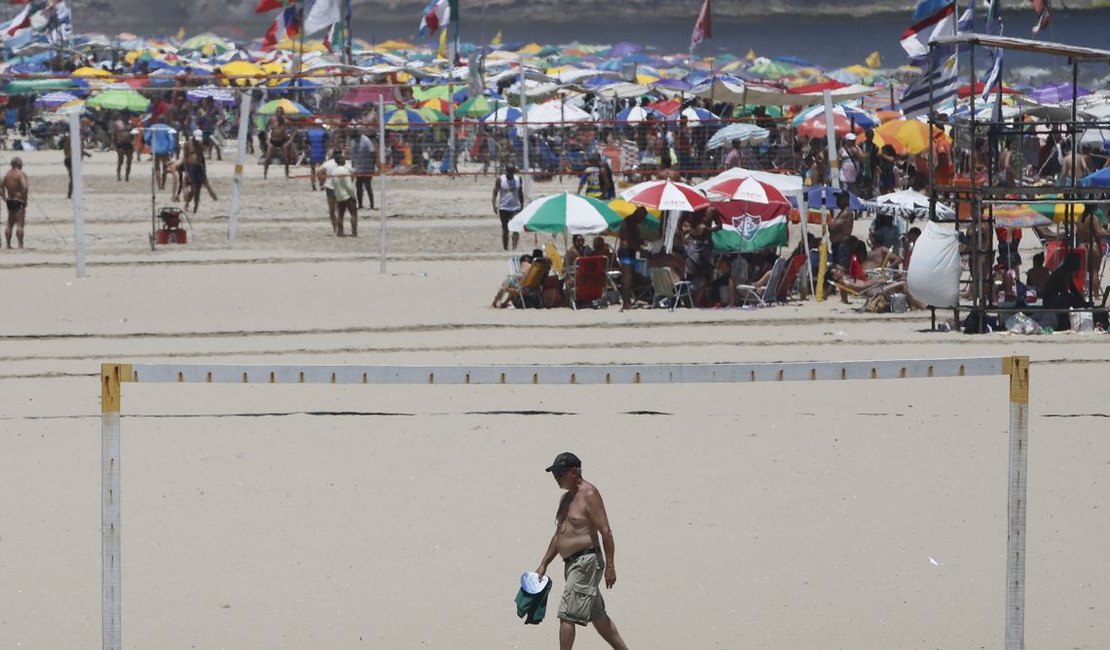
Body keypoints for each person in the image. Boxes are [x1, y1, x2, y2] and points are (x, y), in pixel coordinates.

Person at [535, 453, 630, 650]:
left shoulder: (589, 494)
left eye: (560, 473)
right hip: (572, 564)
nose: (556, 477)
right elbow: (559, 534)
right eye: (554, 474)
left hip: (586, 562)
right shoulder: (565, 499)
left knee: (566, 616)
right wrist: (544, 563)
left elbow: (606, 531)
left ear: (574, 472)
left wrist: (610, 566)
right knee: (599, 616)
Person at [1042, 252, 1087, 330]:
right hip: (1049, 300)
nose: (1079, 264)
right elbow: (1064, 291)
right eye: (1077, 262)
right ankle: (1063, 323)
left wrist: (1082, 302)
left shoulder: (1066, 272)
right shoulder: (1062, 273)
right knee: (1067, 299)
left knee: (1069, 298)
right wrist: (1079, 303)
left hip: (1055, 298)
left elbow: (1073, 289)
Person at [493, 162, 524, 251]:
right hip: (504, 208)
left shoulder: (518, 179)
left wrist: (522, 204)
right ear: (506, 171)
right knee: (505, 230)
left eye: (512, 172)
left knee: (516, 228)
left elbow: (520, 192)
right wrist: (494, 205)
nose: (511, 174)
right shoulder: (500, 180)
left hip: (515, 208)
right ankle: (505, 248)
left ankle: (514, 248)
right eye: (509, 172)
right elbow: (495, 193)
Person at [1, 157, 29, 249]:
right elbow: (24, 187)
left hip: (10, 200)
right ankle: (20, 244)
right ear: (19, 164)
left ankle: (8, 244)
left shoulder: (8, 174)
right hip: (19, 200)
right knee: (20, 224)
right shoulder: (20, 174)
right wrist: (24, 197)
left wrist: (4, 197)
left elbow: (1, 187)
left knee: (10, 223)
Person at [331, 151, 357, 236]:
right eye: (343, 158)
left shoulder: (333, 171)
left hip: (339, 195)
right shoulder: (345, 171)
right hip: (347, 195)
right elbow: (348, 185)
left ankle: (340, 232)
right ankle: (354, 232)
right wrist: (353, 196)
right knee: (353, 214)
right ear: (340, 160)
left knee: (340, 214)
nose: (344, 159)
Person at [349, 127, 376, 210]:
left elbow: (373, 152)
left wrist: (373, 165)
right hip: (358, 166)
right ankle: (360, 205)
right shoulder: (353, 141)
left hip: (367, 166)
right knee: (358, 186)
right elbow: (353, 154)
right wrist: (353, 166)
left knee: (368, 186)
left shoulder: (366, 140)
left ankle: (372, 205)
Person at [60, 130, 91, 200]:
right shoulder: (70, 140)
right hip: (70, 161)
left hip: (73, 161)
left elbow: (78, 150)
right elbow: (69, 150)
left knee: (74, 179)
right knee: (74, 179)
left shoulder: (74, 140)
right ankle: (71, 195)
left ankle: (71, 195)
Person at [316, 148, 341, 233]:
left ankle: (334, 227)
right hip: (340, 187)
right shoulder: (344, 163)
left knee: (332, 209)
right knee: (339, 209)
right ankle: (339, 227)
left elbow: (318, 172)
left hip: (330, 187)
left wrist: (321, 182)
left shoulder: (328, 163)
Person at [828, 191, 855, 271]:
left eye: (840, 198)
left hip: (842, 245)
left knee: (840, 270)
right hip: (838, 245)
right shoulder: (842, 212)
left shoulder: (846, 212)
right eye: (837, 198)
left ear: (846, 199)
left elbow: (832, 227)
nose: (837, 200)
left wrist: (831, 223)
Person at [264, 106, 293, 179]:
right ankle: (265, 173)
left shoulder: (286, 121)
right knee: (268, 158)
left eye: (280, 112)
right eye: (277, 112)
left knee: (286, 158)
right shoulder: (272, 119)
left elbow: (293, 130)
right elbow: (266, 128)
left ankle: (287, 174)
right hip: (273, 140)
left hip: (282, 140)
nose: (279, 113)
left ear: (282, 113)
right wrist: (267, 139)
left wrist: (289, 141)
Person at [304, 119, 328, 191]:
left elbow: (306, 143)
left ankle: (313, 186)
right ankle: (321, 185)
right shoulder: (324, 132)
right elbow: (327, 142)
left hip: (312, 152)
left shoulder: (309, 132)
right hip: (321, 152)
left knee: (312, 169)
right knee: (321, 169)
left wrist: (307, 151)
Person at [110, 111, 134, 182]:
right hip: (120, 144)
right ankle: (119, 175)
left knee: (129, 161)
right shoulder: (117, 124)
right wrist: (113, 144)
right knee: (120, 161)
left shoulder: (131, 124)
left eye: (127, 116)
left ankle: (127, 176)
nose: (126, 117)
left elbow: (133, 134)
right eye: (124, 116)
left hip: (129, 144)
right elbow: (114, 135)